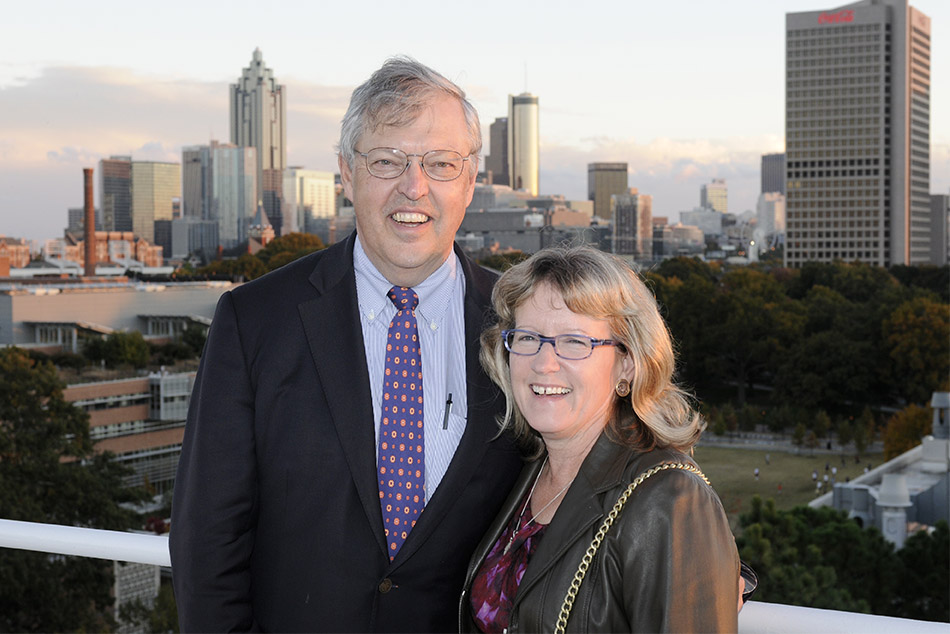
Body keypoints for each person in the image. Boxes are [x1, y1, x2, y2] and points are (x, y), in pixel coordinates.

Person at [169, 57, 523, 632]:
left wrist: (696, 540)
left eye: (439, 163)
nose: (415, 186)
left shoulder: (521, 325)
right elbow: (208, 539)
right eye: (386, 161)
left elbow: (592, 463)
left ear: (471, 178)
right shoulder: (254, 321)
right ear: (346, 173)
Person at [460, 245, 742, 633]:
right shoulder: (524, 470)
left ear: (627, 363)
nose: (544, 363)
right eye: (528, 338)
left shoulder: (671, 500)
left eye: (575, 342)